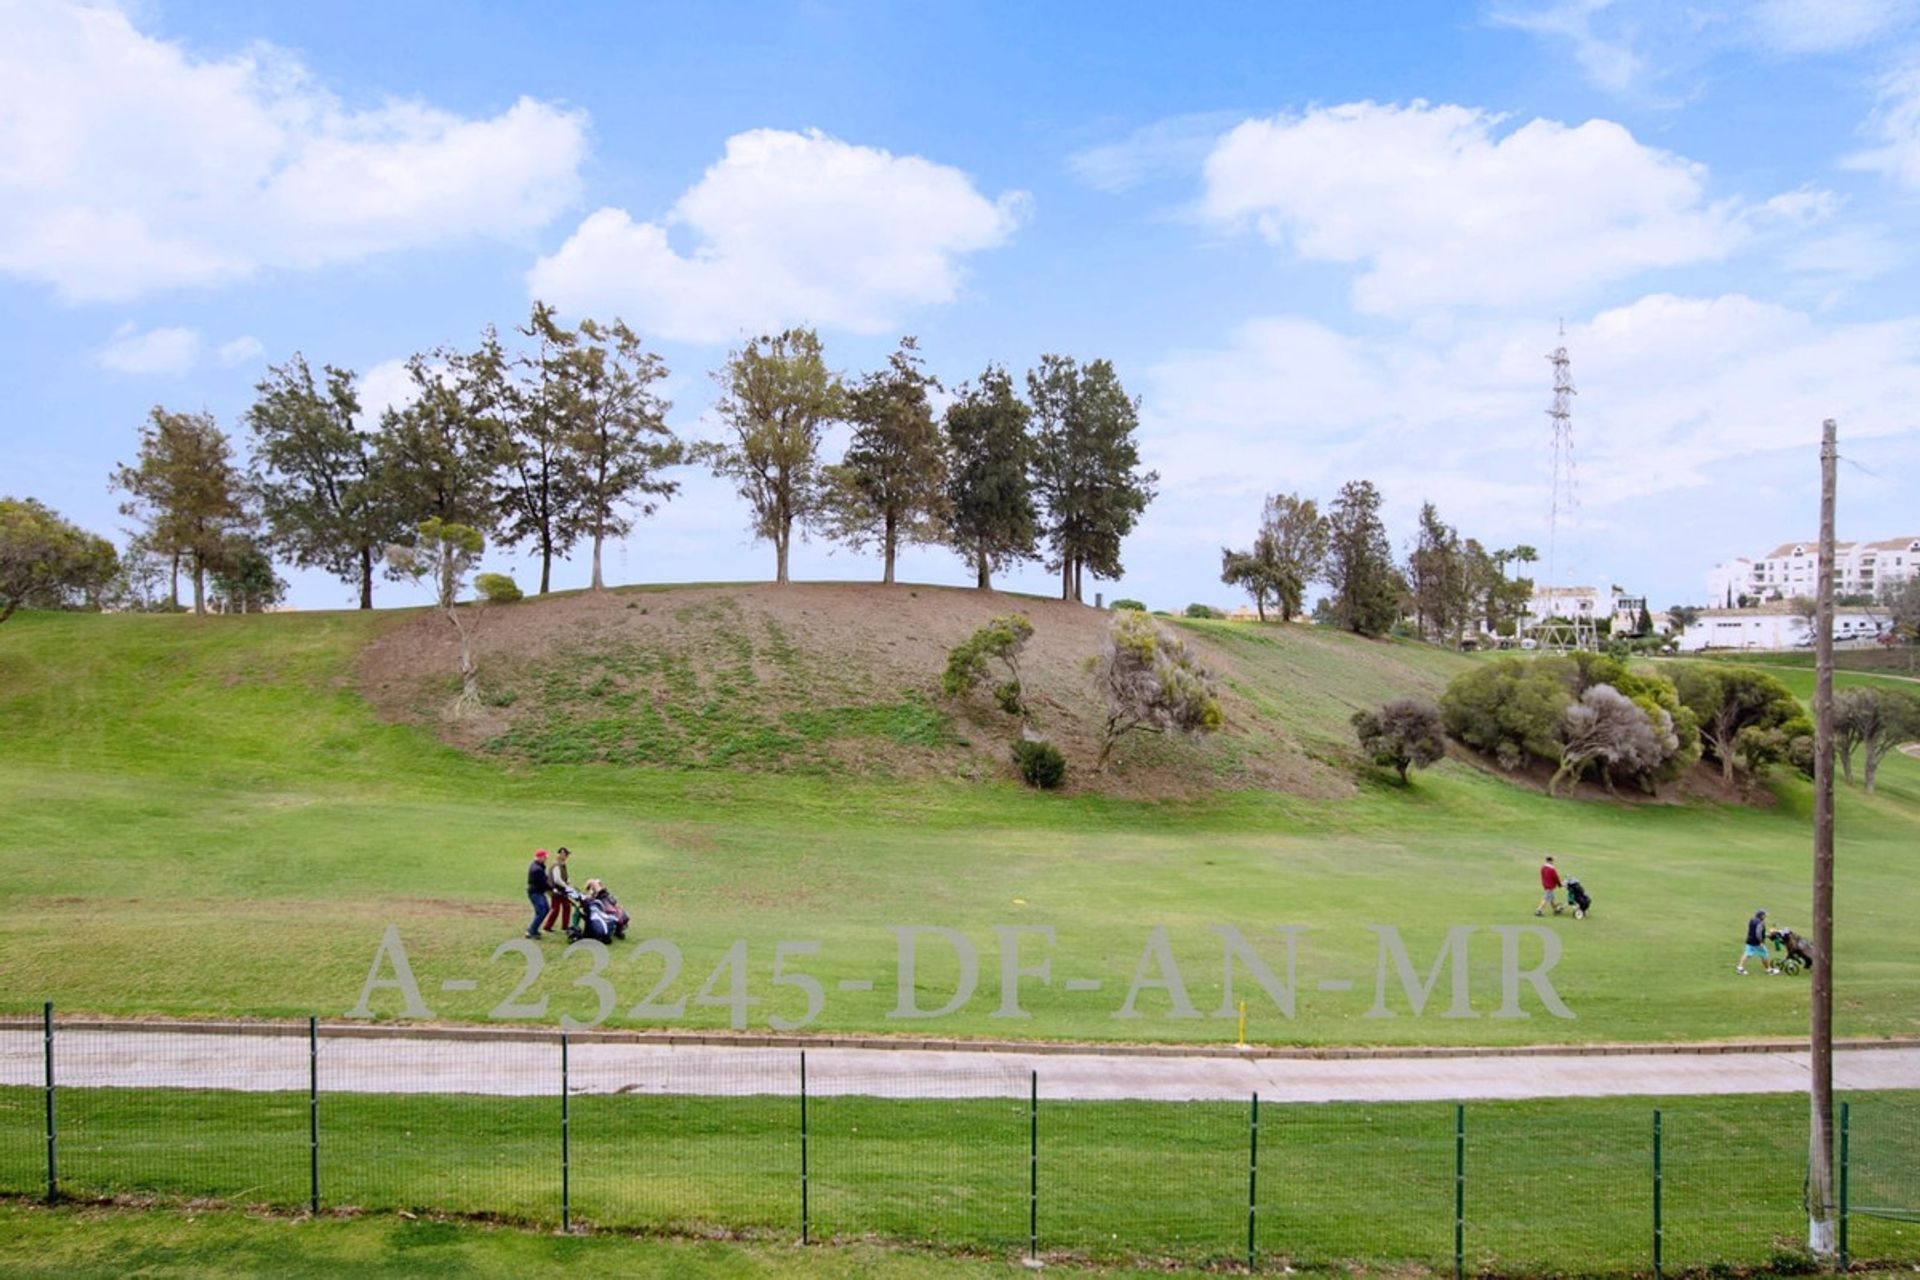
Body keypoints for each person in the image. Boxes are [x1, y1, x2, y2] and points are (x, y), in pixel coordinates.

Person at [542, 846, 573, 933]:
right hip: (556, 890)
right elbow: (557, 879)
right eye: (566, 854)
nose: (567, 856)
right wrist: (566, 886)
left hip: (560, 890)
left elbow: (563, 877)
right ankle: (548, 926)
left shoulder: (561, 864)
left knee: (566, 907)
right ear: (561, 854)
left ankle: (564, 926)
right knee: (556, 908)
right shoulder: (557, 865)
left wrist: (567, 882)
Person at [1737, 908, 1778, 975]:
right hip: (1757, 943)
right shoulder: (1760, 923)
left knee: (1746, 954)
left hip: (1750, 940)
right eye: (1764, 915)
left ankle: (1740, 968)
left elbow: (1754, 932)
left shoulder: (1752, 920)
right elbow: (1758, 933)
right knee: (1764, 954)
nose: (1765, 916)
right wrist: (1761, 942)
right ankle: (1769, 970)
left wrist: (1766, 935)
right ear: (1761, 916)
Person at [524, 849, 550, 940]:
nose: (546, 859)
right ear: (540, 858)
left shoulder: (538, 866)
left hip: (538, 892)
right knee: (542, 911)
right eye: (544, 857)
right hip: (536, 892)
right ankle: (531, 931)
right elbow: (543, 882)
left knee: (545, 909)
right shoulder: (537, 869)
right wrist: (552, 889)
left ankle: (533, 929)